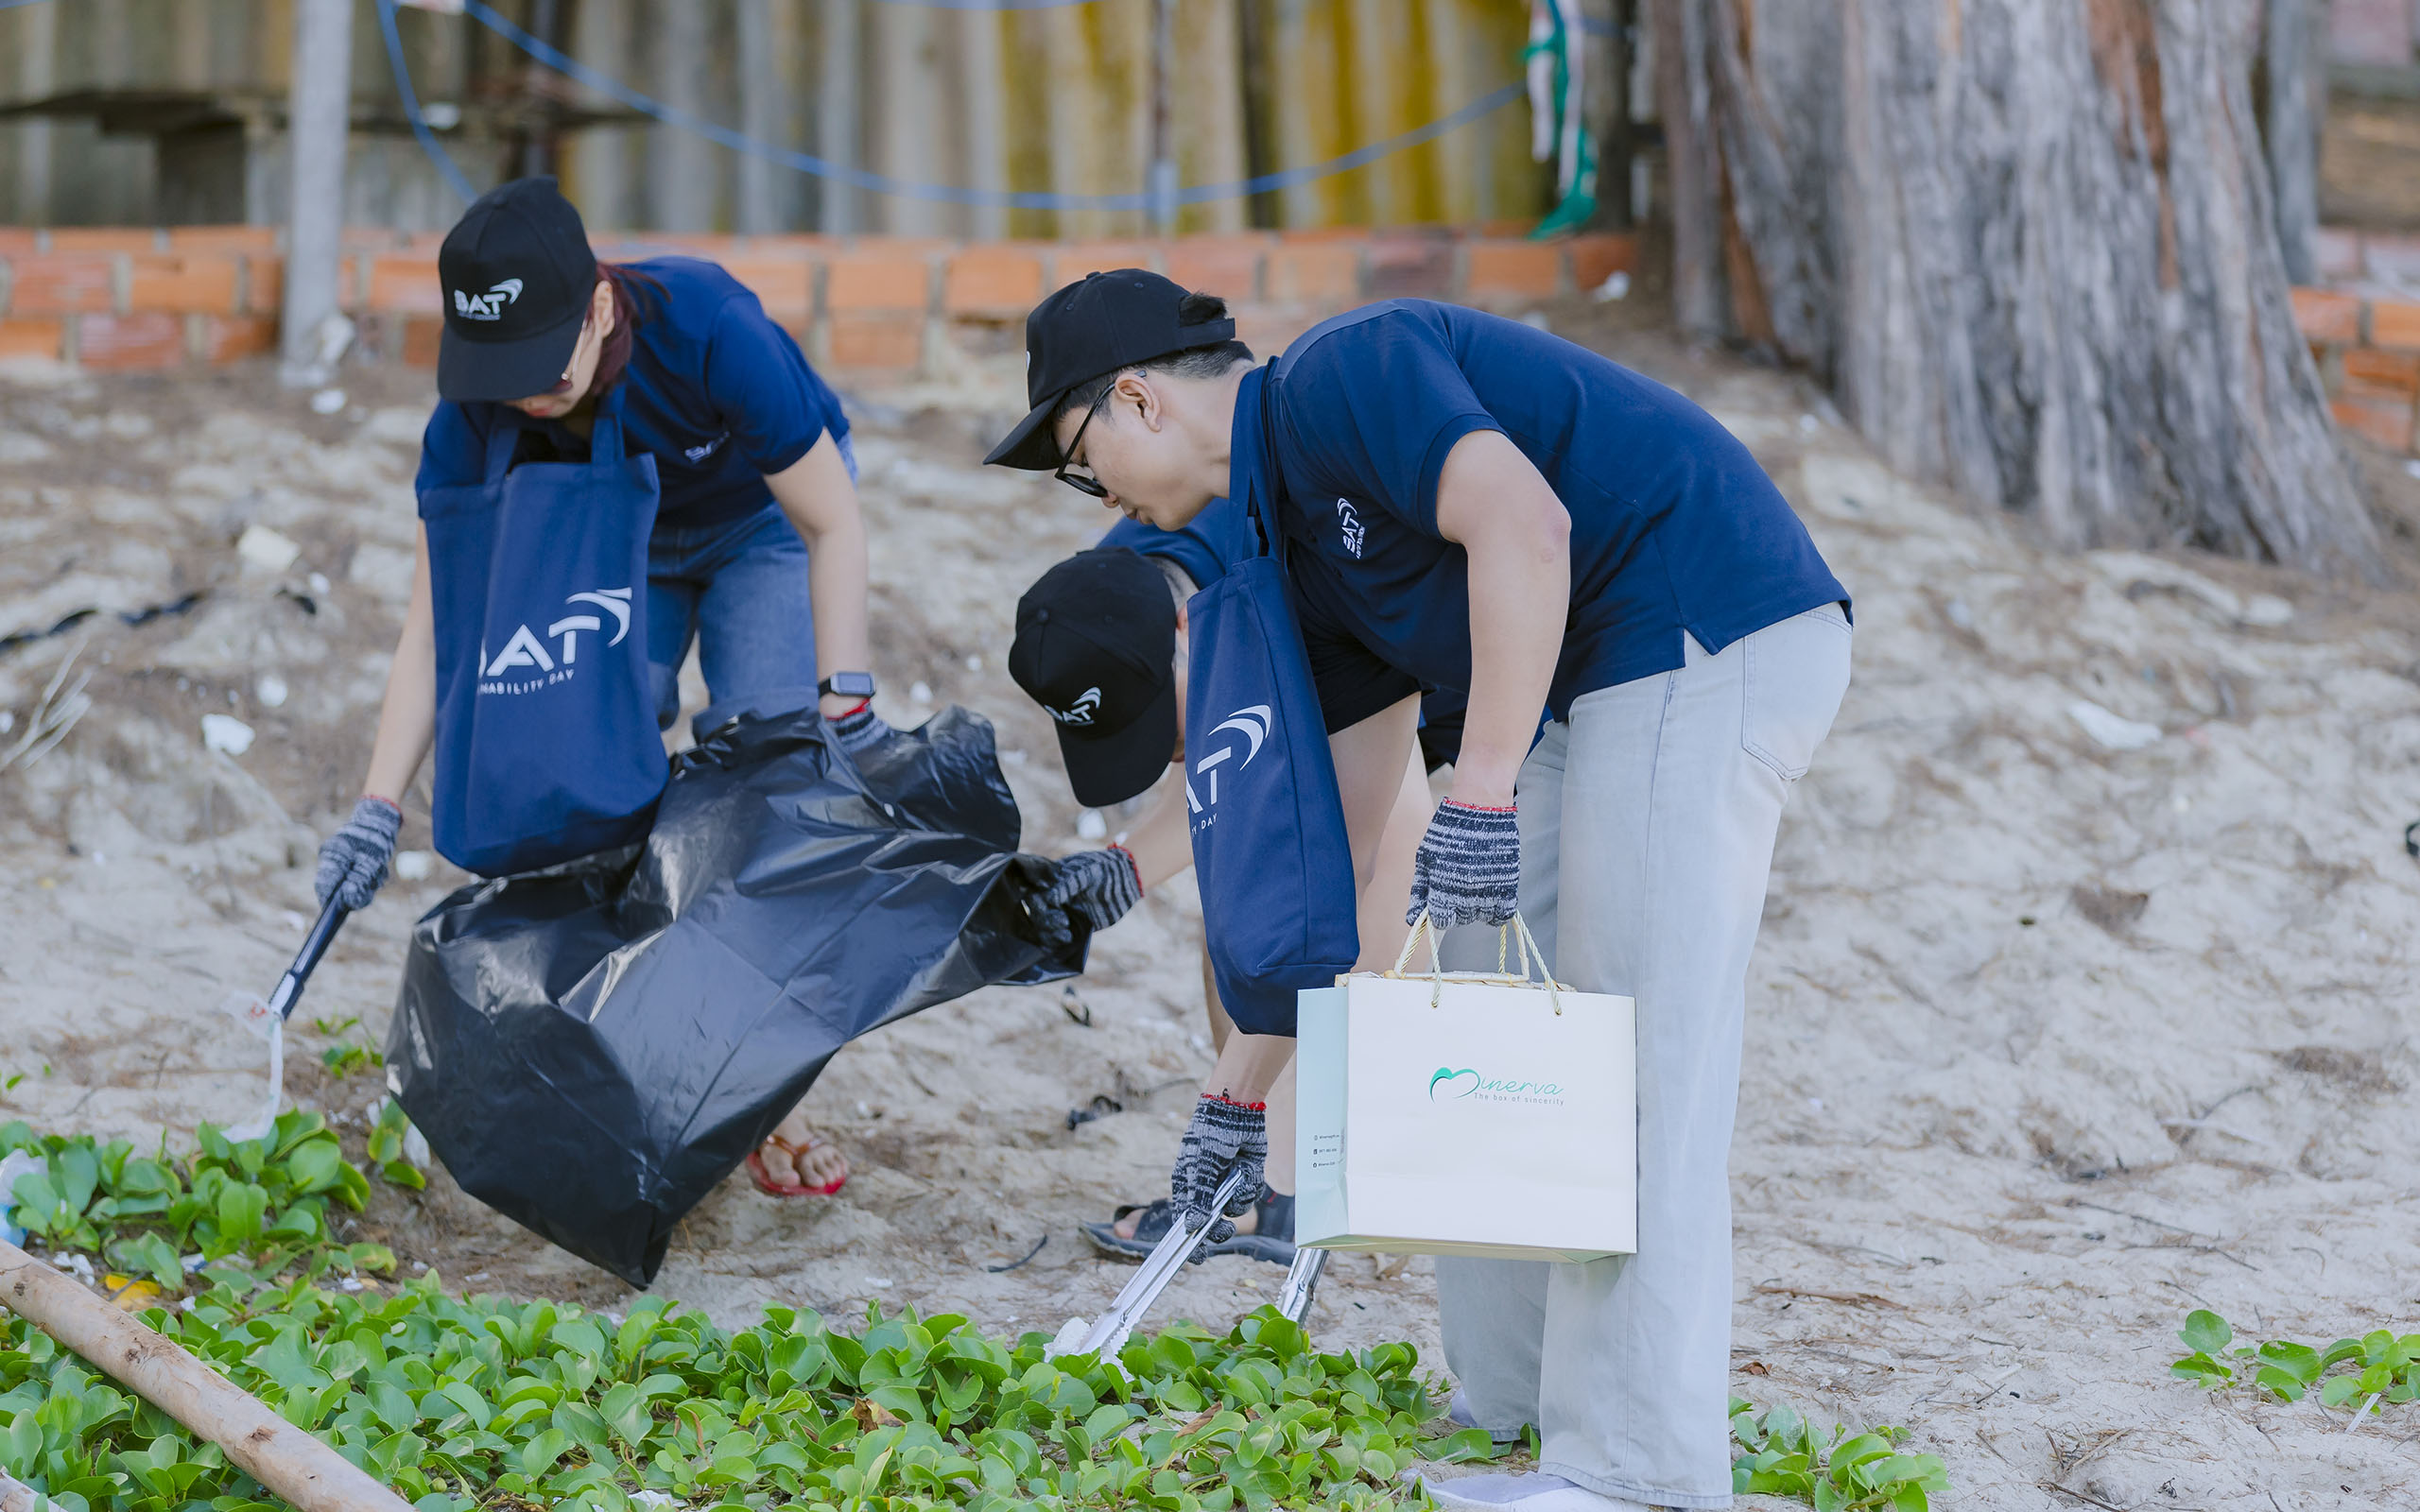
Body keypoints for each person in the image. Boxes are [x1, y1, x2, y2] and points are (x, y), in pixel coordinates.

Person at [987, 268, 1852, 1512]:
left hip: (1694, 625)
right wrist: (1236, 1102)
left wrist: (1484, 789)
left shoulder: (1349, 374)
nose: (1097, 500)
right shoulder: (1287, 549)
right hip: (1576, 689)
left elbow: (1526, 528)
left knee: (1630, 1054)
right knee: (1497, 1028)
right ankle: (1510, 1412)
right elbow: (1333, 847)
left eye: (1080, 464)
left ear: (1136, 399)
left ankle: (1634, 1471)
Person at [312, 177, 886, 1203]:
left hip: (764, 521)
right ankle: (645, 1062)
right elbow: (438, 624)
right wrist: (375, 804)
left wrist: (845, 701)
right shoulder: (478, 415)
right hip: (618, 541)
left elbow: (831, 524)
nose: (525, 392)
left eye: (543, 363)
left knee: (763, 772)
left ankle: (772, 1091)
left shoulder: (708, 327)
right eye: (501, 370)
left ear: (602, 309)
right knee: (581, 764)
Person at [1009, 524, 1438, 1265]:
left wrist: (1228, 1101)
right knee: (1240, 920)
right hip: (1338, 677)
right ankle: (1263, 1181)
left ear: (1188, 624)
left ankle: (1288, 1189)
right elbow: (1225, 750)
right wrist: (1126, 866)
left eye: (1157, 727)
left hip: (1535, 669)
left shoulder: (1298, 571)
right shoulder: (1136, 575)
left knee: (1325, 932)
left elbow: (1384, 865)